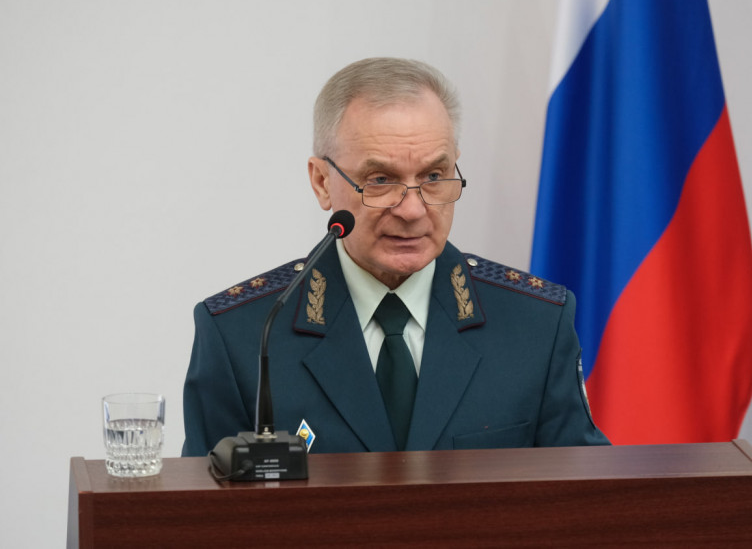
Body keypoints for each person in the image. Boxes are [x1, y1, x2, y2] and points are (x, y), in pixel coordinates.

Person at [182, 57, 608, 456]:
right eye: (381, 180)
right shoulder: (244, 335)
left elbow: (586, 494)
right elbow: (202, 504)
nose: (413, 209)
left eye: (434, 176)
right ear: (322, 182)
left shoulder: (536, 324)